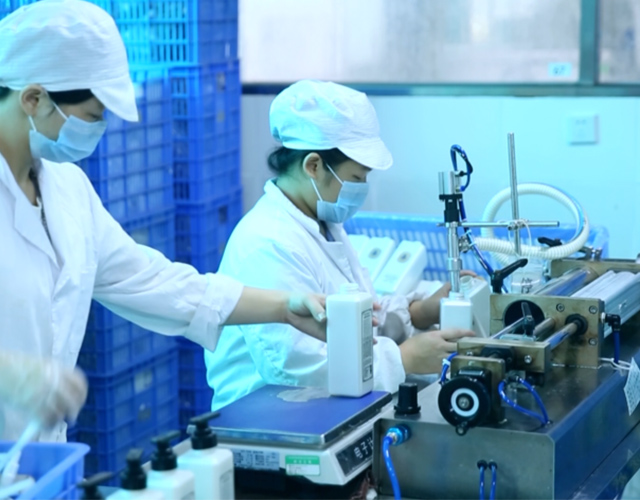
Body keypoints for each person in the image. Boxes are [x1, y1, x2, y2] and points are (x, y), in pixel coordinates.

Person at [0, 0, 327, 441]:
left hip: (39, 456)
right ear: (34, 99)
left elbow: (152, 281)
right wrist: (11, 376)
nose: (99, 130)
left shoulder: (67, 189)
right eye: (93, 116)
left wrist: (284, 307)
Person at [205, 80, 475, 410]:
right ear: (313, 166)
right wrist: (403, 359)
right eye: (357, 177)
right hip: (270, 417)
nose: (362, 187)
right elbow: (295, 368)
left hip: (324, 410)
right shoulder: (267, 243)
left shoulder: (323, 223)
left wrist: (418, 312)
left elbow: (357, 316)